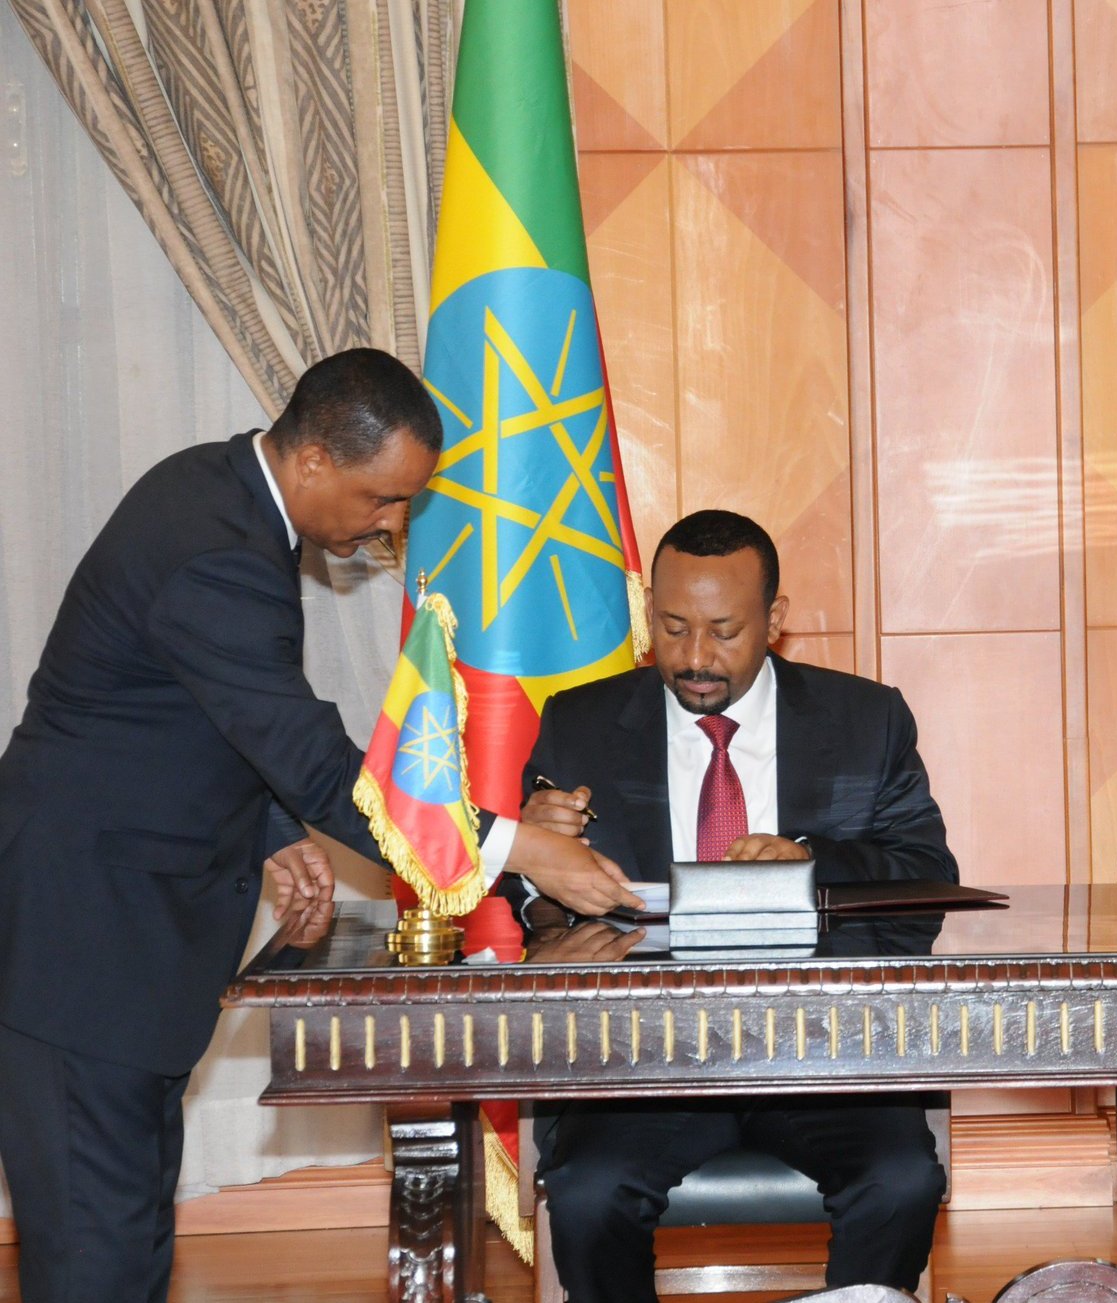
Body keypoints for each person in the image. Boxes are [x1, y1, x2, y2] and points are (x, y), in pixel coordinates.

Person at [0, 348, 638, 1303]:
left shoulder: (223, 499)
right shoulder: (217, 545)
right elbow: (312, 757)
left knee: (128, 1235)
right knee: (96, 1255)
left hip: (119, 942)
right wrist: (517, 845)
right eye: (384, 499)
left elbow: (186, 710)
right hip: (87, 942)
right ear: (312, 464)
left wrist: (268, 830)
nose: (393, 525)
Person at [515, 509, 955, 1301]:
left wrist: (813, 863)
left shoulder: (866, 720)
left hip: (824, 1048)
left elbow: (924, 877)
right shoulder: (581, 724)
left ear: (775, 621)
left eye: (723, 630)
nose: (693, 658)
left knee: (899, 1179)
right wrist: (538, 860)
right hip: (647, 1053)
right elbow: (540, 911)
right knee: (587, 1191)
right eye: (672, 627)